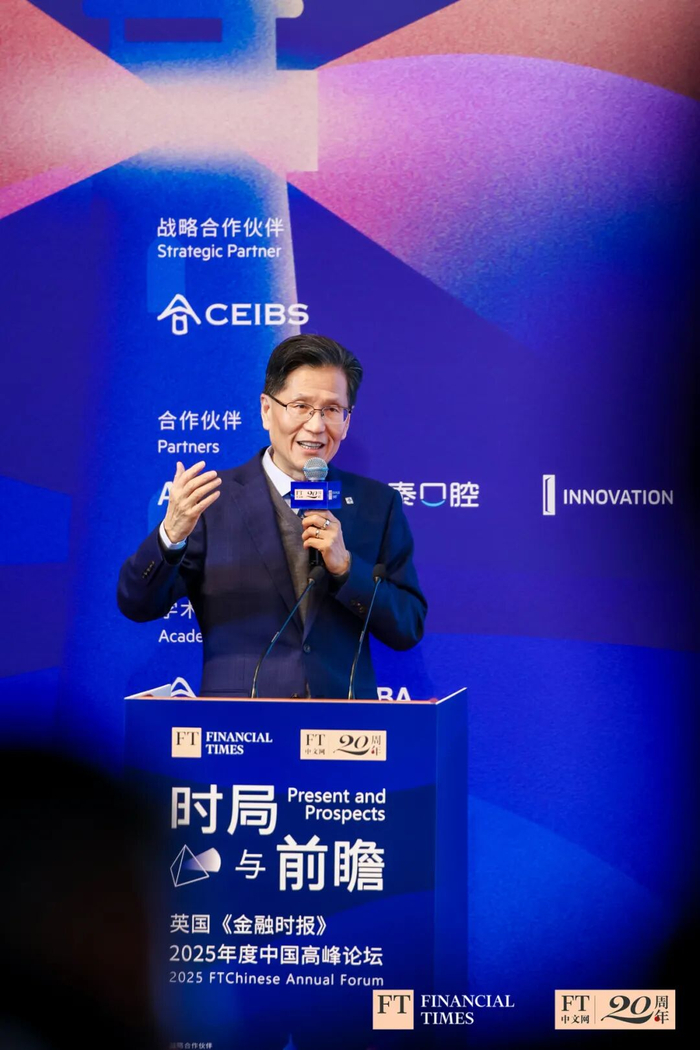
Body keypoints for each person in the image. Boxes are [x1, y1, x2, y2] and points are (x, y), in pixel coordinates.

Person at [117, 334, 426, 698]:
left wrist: (346, 569)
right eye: (301, 406)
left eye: (331, 410)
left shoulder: (377, 504)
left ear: (346, 421)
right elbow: (137, 604)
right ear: (267, 409)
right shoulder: (212, 501)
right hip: (240, 722)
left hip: (344, 723)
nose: (316, 426)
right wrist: (171, 536)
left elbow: (408, 626)